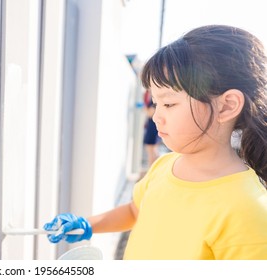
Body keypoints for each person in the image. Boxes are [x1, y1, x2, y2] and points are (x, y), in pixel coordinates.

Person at [43, 25, 267, 259]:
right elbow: (134, 211)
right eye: (156, 104)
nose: (157, 116)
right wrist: (86, 224)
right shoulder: (164, 166)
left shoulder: (248, 209)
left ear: (227, 105)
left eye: (168, 104)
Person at [142, 89, 160, 167]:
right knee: (151, 149)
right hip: (151, 125)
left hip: (153, 126)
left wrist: (144, 106)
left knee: (151, 149)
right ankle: (153, 171)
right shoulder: (148, 95)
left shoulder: (155, 98)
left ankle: (154, 170)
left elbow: (150, 113)